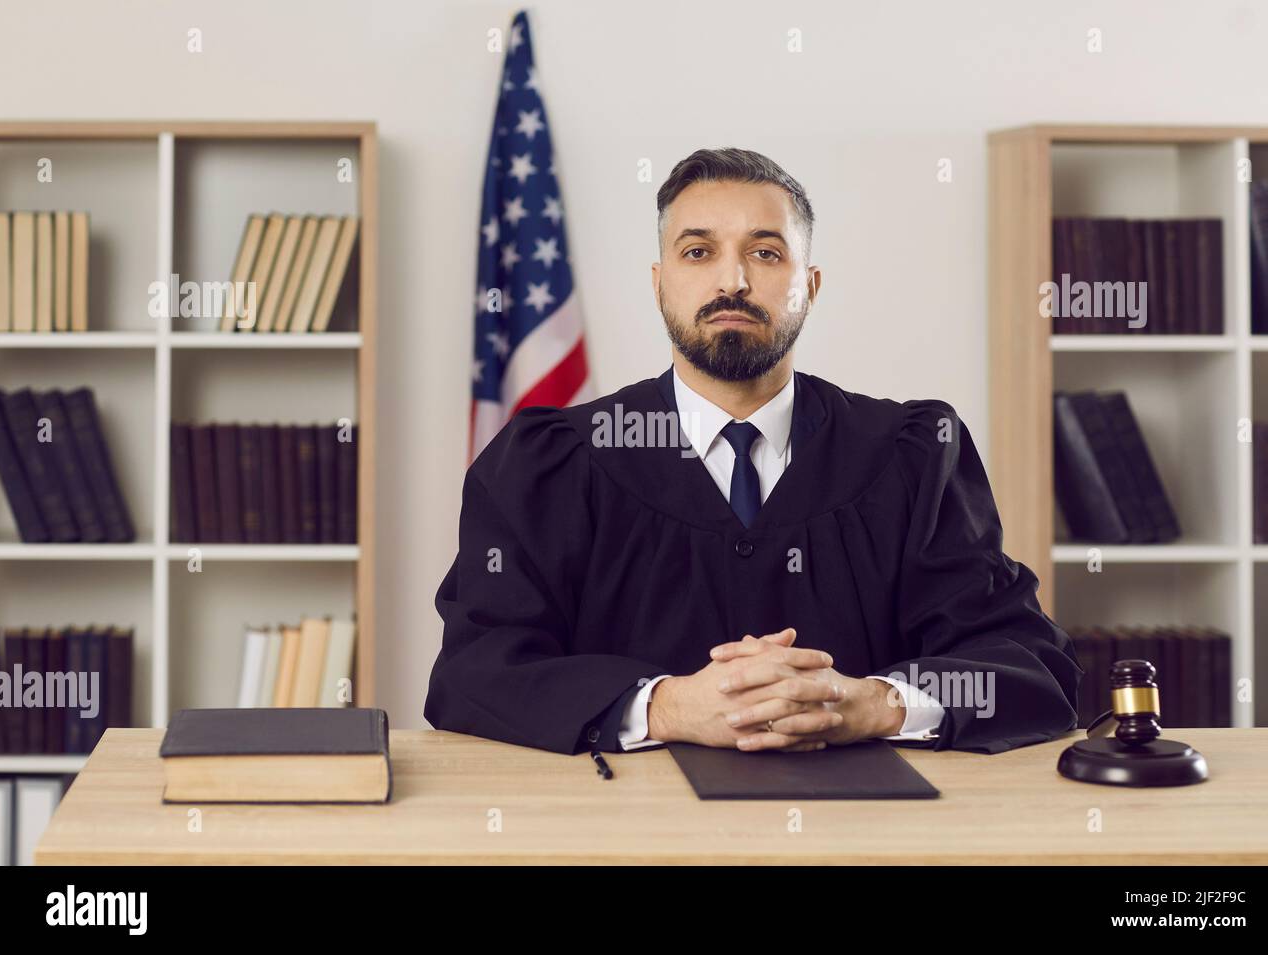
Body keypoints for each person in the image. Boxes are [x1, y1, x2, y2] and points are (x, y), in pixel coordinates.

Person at [426, 147, 1081, 756]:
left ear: (811, 284)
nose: (732, 280)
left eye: (766, 254)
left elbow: (1027, 663)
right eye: (698, 252)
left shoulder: (912, 458)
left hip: (866, 840)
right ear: (659, 283)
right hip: (623, 836)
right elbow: (476, 670)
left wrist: (873, 703)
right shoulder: (550, 466)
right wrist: (668, 706)